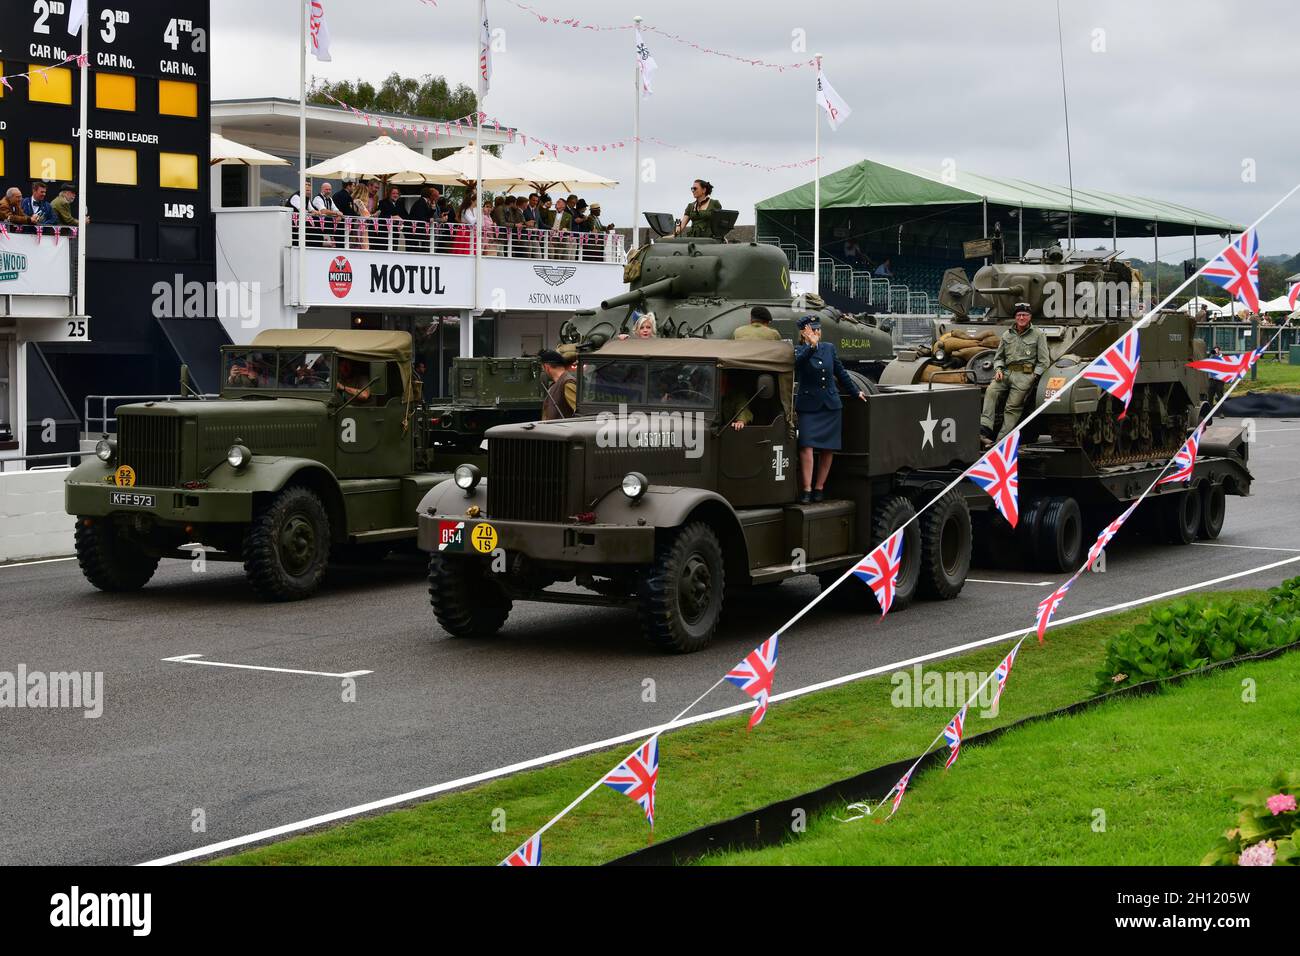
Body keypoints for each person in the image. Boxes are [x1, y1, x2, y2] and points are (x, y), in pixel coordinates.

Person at [794, 316, 866, 503]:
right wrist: (811, 346)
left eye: (817, 330)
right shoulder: (799, 350)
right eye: (812, 330)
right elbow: (797, 365)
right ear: (803, 332)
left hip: (830, 405)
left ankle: (819, 487)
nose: (816, 333)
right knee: (806, 446)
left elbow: (840, 372)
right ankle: (807, 489)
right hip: (809, 405)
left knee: (828, 448)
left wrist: (855, 391)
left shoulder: (829, 348)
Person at [980, 301, 1050, 447]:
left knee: (1012, 408)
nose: (1021, 317)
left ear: (1030, 317)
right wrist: (998, 369)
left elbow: (1044, 361)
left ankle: (1000, 441)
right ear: (1015, 317)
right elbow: (999, 357)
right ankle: (984, 428)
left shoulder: (1038, 335)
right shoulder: (1007, 334)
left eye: (1025, 315)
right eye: (1019, 315)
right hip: (1005, 373)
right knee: (991, 392)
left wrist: (1034, 376)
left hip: (1025, 375)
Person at [539, 348, 578, 420]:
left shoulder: (567, 383)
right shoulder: (556, 384)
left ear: (547, 367)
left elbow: (580, 412)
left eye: (543, 368)